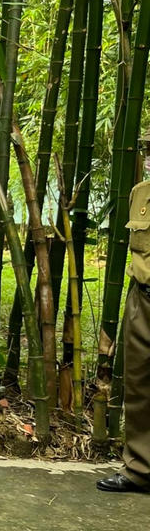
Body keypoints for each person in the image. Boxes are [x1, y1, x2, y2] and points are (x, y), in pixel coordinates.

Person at [97, 134, 150, 496]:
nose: (148, 158)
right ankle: (140, 470)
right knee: (139, 384)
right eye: (149, 151)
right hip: (143, 299)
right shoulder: (140, 194)